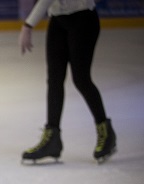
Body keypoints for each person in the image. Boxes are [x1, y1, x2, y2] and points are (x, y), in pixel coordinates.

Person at [18, 0, 117, 164]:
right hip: (58, 20)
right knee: (54, 80)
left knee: (81, 79)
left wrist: (28, 25)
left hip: (83, 19)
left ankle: (106, 132)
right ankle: (52, 138)